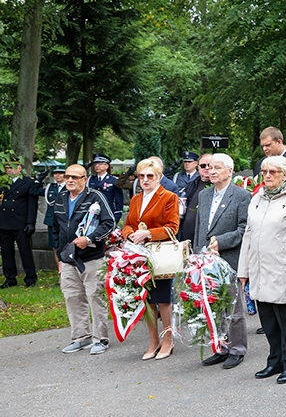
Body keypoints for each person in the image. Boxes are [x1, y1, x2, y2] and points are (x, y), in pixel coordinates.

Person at [238, 155, 286, 384]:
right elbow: (248, 234)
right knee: (268, 319)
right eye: (264, 171)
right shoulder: (257, 198)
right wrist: (243, 270)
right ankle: (275, 360)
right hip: (260, 269)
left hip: (284, 269)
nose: (267, 176)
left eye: (272, 172)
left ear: (284, 174)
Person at [194, 153, 252, 370]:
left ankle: (237, 349)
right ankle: (221, 347)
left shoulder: (241, 196)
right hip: (206, 260)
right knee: (214, 306)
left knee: (234, 310)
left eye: (218, 167)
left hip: (228, 259)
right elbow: (201, 226)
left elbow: (244, 228)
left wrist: (221, 242)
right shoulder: (204, 195)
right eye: (209, 167)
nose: (212, 171)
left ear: (230, 170)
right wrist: (197, 254)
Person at [121, 158, 181, 360]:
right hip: (138, 255)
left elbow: (172, 228)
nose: (145, 180)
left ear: (158, 177)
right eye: (141, 176)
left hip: (159, 254)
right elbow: (128, 223)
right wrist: (130, 234)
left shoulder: (169, 197)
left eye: (150, 176)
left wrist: (147, 234)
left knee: (163, 299)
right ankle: (153, 340)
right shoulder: (136, 199)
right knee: (146, 299)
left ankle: (167, 339)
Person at [53, 165, 116, 355]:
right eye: (67, 177)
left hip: (91, 258)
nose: (70, 180)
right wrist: (61, 254)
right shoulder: (60, 198)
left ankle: (100, 339)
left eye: (75, 177)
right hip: (69, 259)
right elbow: (55, 228)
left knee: (95, 297)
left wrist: (89, 239)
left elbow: (109, 222)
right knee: (72, 297)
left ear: (84, 179)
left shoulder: (95, 197)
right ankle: (81, 337)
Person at [0, 158, 39, 288]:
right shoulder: (3, 183)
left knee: (25, 251)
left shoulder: (28, 182)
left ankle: (30, 277)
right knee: (6, 252)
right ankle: (10, 278)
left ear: (19, 168)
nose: (9, 170)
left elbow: (32, 205)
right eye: (7, 168)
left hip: (20, 222)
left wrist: (30, 222)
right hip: (4, 222)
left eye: (11, 167)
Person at [180, 152, 212, 243]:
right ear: (198, 167)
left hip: (204, 238)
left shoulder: (216, 187)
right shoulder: (192, 184)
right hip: (186, 236)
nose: (206, 168)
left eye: (209, 166)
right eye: (203, 165)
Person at [43, 165, 67, 272]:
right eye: (56, 173)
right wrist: (39, 179)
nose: (58, 175)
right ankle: (60, 273)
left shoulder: (69, 187)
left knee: (67, 246)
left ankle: (68, 272)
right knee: (55, 247)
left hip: (66, 220)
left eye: (61, 173)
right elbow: (33, 191)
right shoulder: (50, 187)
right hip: (52, 220)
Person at [88, 153, 124, 223]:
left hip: (108, 215)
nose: (97, 166)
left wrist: (116, 218)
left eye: (100, 164)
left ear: (106, 166)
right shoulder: (91, 179)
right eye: (95, 164)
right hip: (92, 215)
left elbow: (119, 201)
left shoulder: (114, 180)